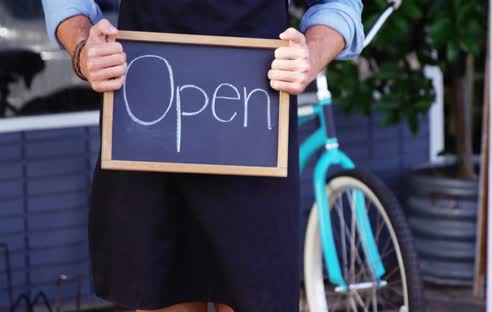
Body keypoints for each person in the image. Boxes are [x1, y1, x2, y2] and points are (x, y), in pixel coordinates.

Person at [41, 1, 363, 311]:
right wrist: (84, 50)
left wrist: (311, 55)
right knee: (161, 296)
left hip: (255, 134)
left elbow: (339, 4)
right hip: (149, 133)